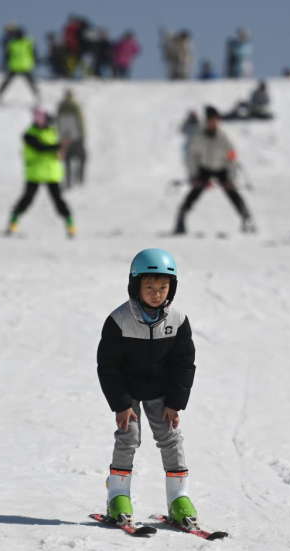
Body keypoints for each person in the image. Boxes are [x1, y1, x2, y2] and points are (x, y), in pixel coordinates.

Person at [97, 248, 198, 529]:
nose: (156, 293)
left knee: (171, 437)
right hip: (128, 393)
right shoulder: (119, 320)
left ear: (171, 288)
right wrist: (121, 403)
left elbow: (184, 364)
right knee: (128, 436)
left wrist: (175, 402)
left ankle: (179, 499)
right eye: (149, 287)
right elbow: (108, 365)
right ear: (135, 286)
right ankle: (118, 496)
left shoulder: (177, 320)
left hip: (162, 393)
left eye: (163, 287)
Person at [173, 106, 255, 234]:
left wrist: (231, 178)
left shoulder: (223, 137)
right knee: (193, 194)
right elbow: (191, 157)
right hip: (205, 168)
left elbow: (232, 156)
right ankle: (180, 220)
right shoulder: (198, 136)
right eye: (210, 119)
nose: (212, 122)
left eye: (214, 119)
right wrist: (194, 176)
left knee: (233, 194)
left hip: (221, 168)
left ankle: (247, 219)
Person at [6, 108, 76, 237]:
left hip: (51, 173)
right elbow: (40, 147)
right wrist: (58, 146)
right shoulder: (29, 135)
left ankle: (70, 226)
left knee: (58, 201)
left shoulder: (53, 132)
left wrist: (62, 151)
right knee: (27, 199)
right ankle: (13, 224)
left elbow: (60, 151)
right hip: (35, 172)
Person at [0, 25, 38, 102]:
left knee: (29, 82)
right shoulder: (26, 41)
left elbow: (6, 55)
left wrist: (4, 64)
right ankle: (38, 96)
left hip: (20, 65)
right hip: (21, 65)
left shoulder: (14, 42)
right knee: (30, 82)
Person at [57, 90, 87, 188]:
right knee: (83, 157)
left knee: (67, 159)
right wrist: (83, 135)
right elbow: (80, 121)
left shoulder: (60, 107)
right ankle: (81, 180)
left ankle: (68, 181)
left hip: (65, 137)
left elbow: (58, 122)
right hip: (76, 137)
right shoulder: (75, 106)